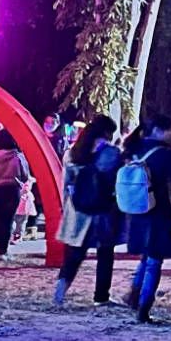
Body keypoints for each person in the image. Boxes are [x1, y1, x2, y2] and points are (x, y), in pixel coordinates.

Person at [118, 117, 171, 323]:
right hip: (157, 211)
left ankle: (133, 295)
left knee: (146, 256)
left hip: (135, 211)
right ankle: (144, 308)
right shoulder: (166, 154)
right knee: (154, 261)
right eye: (170, 130)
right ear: (159, 130)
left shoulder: (132, 149)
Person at [53, 116, 122, 307]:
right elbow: (115, 182)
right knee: (105, 254)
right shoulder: (112, 153)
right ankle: (101, 296)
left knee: (73, 254)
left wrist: (67, 206)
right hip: (102, 210)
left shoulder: (72, 152)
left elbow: (65, 183)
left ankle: (59, 293)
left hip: (77, 209)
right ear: (107, 132)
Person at [0, 131, 31, 260]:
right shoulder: (17, 155)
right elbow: (25, 174)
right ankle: (4, 249)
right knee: (8, 218)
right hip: (11, 189)